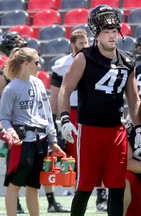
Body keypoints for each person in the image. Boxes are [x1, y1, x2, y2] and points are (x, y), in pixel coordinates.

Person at [58, 4, 141, 216]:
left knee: (117, 185)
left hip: (116, 131)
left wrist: (139, 128)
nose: (112, 36)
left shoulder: (127, 60)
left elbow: (133, 98)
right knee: (85, 185)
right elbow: (65, 88)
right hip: (89, 130)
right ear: (97, 34)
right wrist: (64, 118)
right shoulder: (85, 57)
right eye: (107, 32)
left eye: (114, 31)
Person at [0, 31, 69, 214]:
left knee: (34, 186)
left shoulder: (38, 83)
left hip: (40, 141)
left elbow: (46, 114)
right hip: (21, 143)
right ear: (25, 63)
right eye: (36, 62)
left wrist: (53, 140)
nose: (40, 65)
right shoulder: (10, 89)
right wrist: (10, 133)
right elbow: (4, 118)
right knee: (14, 185)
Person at [50, 28, 108, 212]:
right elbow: (55, 95)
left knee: (97, 154)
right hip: (73, 112)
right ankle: (79, 194)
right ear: (72, 44)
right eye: (81, 43)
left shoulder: (94, 59)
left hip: (92, 110)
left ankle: (101, 195)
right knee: (76, 156)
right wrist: (54, 121)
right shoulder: (62, 64)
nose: (84, 46)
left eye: (86, 43)